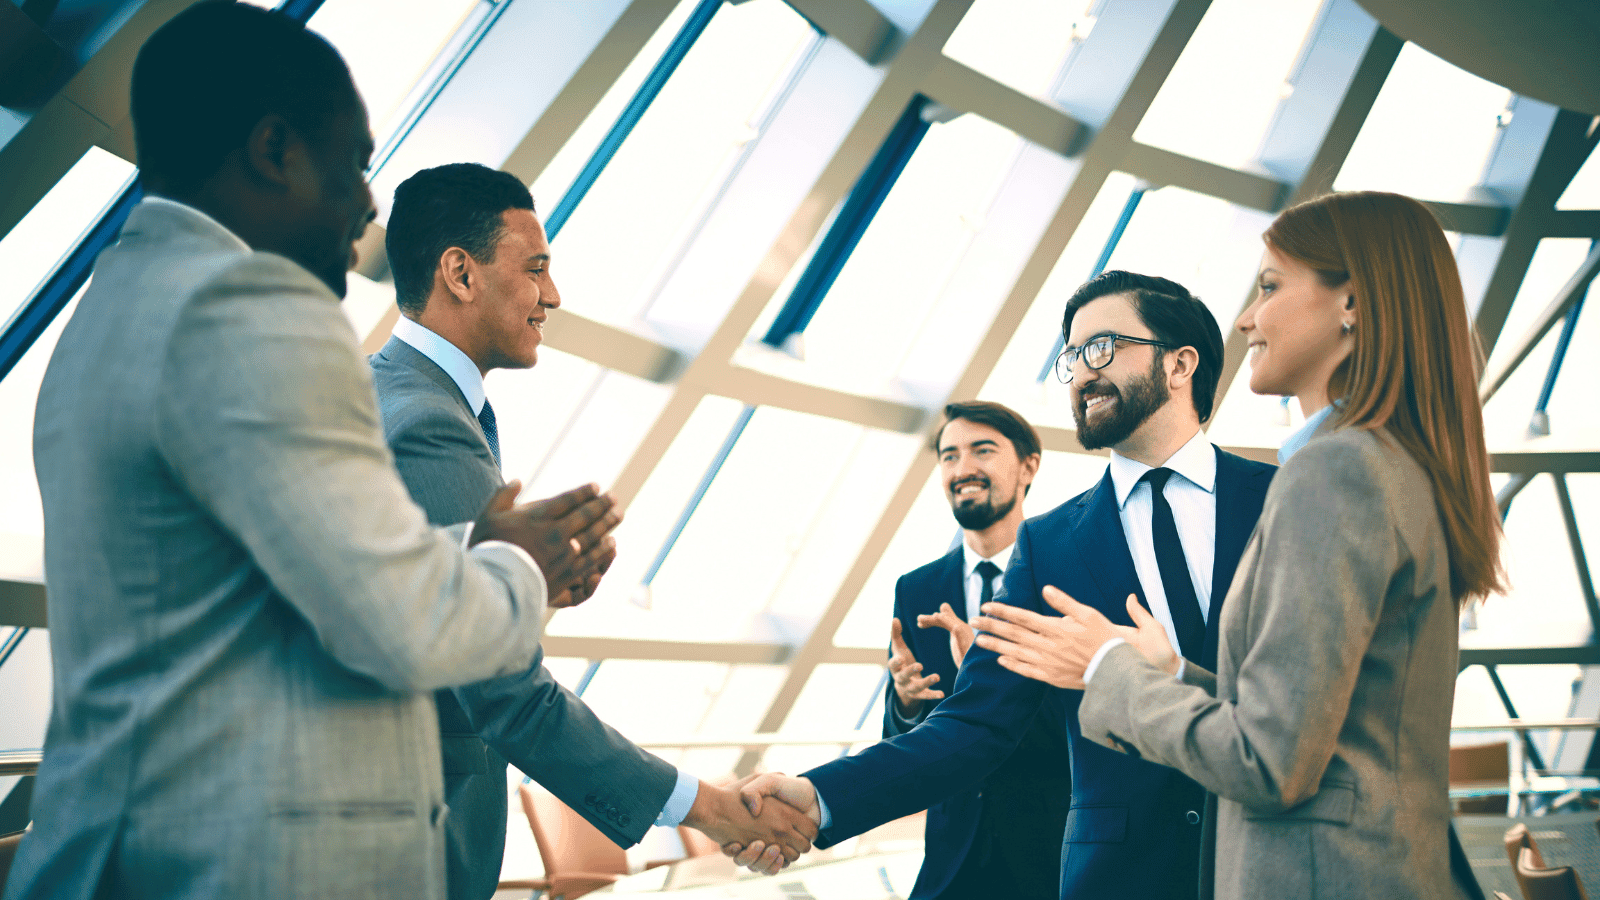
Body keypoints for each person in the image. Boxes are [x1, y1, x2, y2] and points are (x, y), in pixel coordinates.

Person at [4, 6, 630, 898]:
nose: (371, 203)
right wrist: (521, 567)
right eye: (355, 162)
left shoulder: (111, 308)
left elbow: (259, 579)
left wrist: (465, 548)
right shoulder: (256, 307)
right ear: (273, 149)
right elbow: (400, 623)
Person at [980, 192, 1503, 900]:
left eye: (1270, 287)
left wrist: (1108, 670)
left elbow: (1268, 763)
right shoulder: (1395, 465)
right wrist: (1176, 679)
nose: (1248, 317)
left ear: (1351, 302)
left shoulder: (1333, 472)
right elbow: (1325, 732)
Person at [730, 272, 1276, 900]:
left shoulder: (1281, 498)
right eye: (1072, 358)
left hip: (1275, 857)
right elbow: (975, 724)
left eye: (1103, 348)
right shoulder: (1051, 545)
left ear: (1180, 364)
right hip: (1122, 880)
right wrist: (820, 794)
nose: (1082, 372)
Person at [372, 162, 817, 900]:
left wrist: (522, 585)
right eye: (536, 268)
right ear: (459, 272)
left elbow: (411, 617)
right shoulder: (428, 428)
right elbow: (505, 694)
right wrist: (708, 809)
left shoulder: (386, 393)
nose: (552, 296)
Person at [884, 401, 1070, 900]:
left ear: (1029, 465)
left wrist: (987, 680)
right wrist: (904, 702)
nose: (962, 468)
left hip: (1051, 860)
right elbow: (906, 741)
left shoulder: (1069, 577)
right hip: (951, 862)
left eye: (981, 450)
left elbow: (1089, 724)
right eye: (948, 456)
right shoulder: (917, 588)